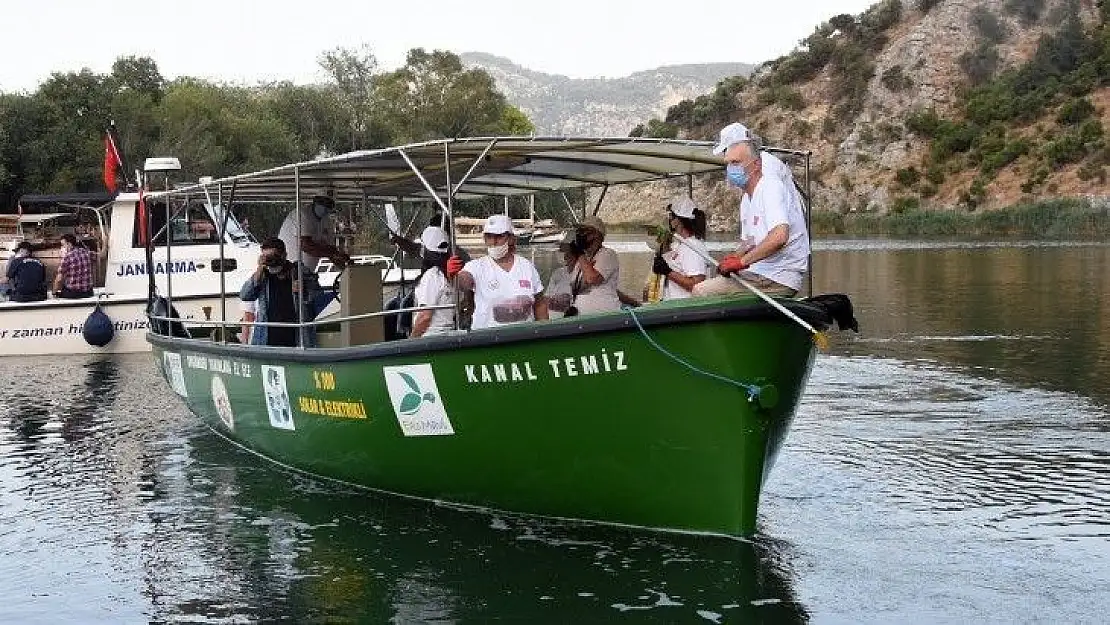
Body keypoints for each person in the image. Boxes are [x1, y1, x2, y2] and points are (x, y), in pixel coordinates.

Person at [693, 127, 810, 297]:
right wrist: (733, 257)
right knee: (716, 278)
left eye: (736, 163)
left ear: (756, 165)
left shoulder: (770, 186)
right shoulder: (747, 199)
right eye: (729, 164)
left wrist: (741, 262)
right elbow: (750, 242)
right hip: (760, 271)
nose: (731, 170)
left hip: (777, 275)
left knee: (700, 291)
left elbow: (779, 237)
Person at [446, 214, 548, 329]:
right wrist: (453, 274)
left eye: (499, 236)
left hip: (524, 337)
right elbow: (464, 283)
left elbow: (540, 303)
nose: (493, 241)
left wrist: (544, 332)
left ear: (510, 238)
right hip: (488, 339)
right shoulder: (476, 266)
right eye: (489, 237)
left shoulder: (526, 266)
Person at [239, 237, 318, 347]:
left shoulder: (299, 272)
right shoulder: (262, 276)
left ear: (284, 255)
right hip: (267, 339)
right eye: (267, 257)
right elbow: (245, 295)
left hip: (297, 338)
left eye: (274, 256)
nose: (271, 261)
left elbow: (316, 299)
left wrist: (303, 289)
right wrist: (260, 269)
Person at [652, 198, 710, 300]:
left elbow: (696, 285)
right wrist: (665, 241)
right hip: (673, 304)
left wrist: (668, 272)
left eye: (670, 216)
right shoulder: (682, 245)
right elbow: (673, 261)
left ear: (678, 220)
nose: (668, 220)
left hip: (686, 307)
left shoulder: (693, 247)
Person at [565, 216, 622, 314]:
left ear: (597, 234)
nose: (579, 234)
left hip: (604, 315)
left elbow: (592, 279)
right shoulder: (582, 260)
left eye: (584, 231)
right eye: (579, 231)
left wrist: (579, 254)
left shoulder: (607, 254)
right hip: (580, 315)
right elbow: (576, 287)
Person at [410, 226, 456, 338]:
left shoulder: (432, 276)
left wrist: (411, 340)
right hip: (449, 334)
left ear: (424, 249)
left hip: (431, 337)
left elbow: (425, 316)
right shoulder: (451, 275)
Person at [545, 234, 580, 318]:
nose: (565, 256)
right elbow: (547, 296)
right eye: (564, 252)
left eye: (568, 253)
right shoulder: (558, 273)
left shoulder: (582, 274)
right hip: (552, 317)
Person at [53, 234, 95, 299]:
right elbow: (102, 255)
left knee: (61, 288)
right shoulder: (85, 251)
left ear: (69, 244)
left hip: (73, 293)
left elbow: (59, 279)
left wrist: (54, 292)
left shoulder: (67, 257)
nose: (61, 248)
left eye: (63, 245)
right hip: (88, 292)